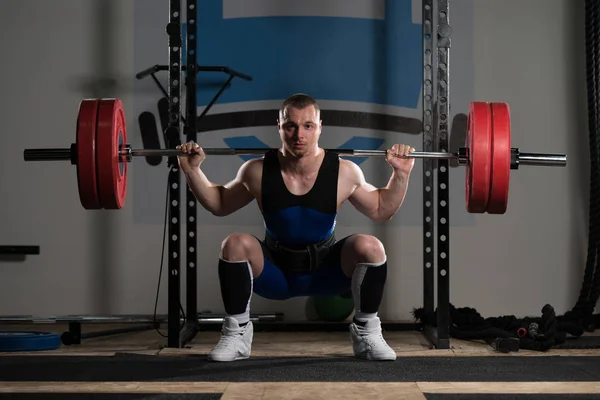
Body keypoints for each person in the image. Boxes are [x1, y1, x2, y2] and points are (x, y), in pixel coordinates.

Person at [177, 93, 415, 362]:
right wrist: (192, 170)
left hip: (326, 273)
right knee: (234, 244)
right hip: (275, 274)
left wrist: (401, 174)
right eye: (290, 125)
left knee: (371, 246)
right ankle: (237, 335)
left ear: (319, 128)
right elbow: (219, 203)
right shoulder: (255, 171)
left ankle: (367, 333)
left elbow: (382, 209)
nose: (298, 134)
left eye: (308, 126)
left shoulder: (344, 172)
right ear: (279, 127)